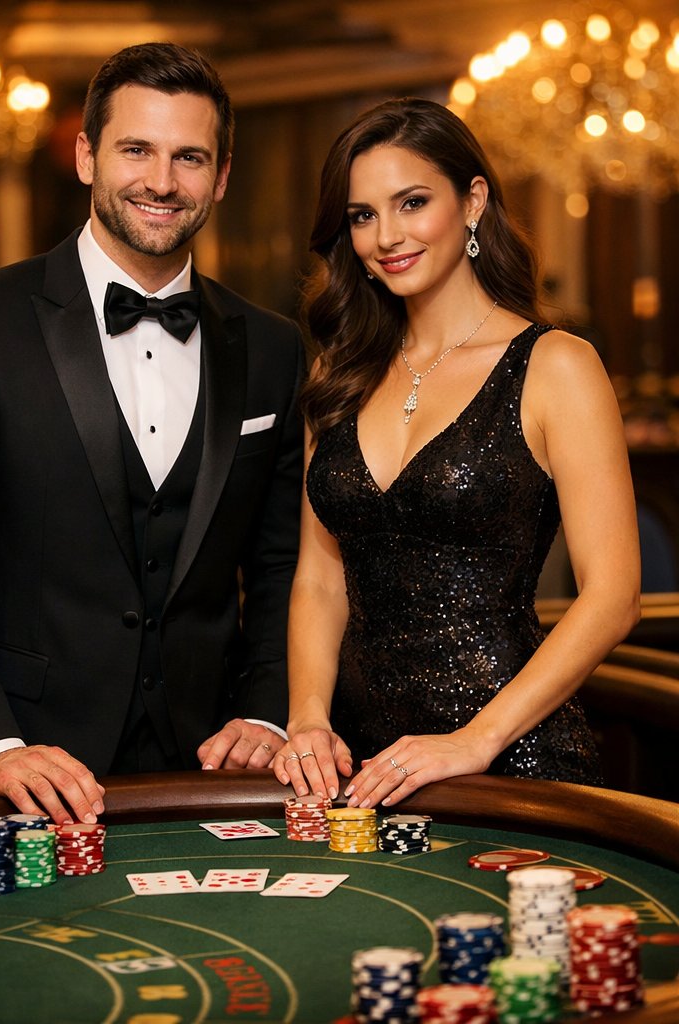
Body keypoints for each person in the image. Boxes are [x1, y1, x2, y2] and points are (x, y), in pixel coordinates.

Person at [0, 42, 306, 826]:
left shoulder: (273, 346)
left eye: (189, 157)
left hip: (212, 760)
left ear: (221, 176)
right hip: (25, 760)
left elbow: (281, 562)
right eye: (137, 149)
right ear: (87, 155)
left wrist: (266, 714)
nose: (162, 182)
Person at [278, 98, 640, 808]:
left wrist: (478, 738)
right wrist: (307, 719)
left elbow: (614, 597)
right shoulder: (339, 373)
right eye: (362, 215)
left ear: (472, 201)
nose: (387, 236)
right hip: (362, 770)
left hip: (511, 756)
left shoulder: (555, 365)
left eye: (412, 202)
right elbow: (320, 579)